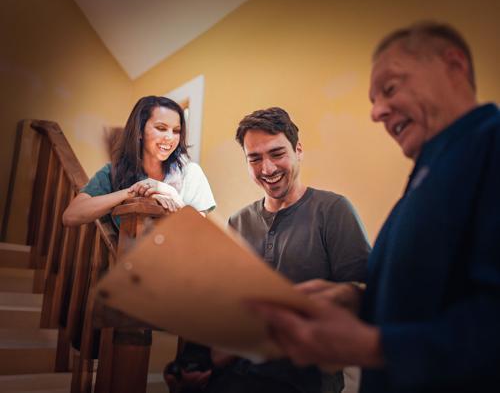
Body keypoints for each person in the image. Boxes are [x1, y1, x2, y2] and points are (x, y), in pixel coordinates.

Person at [247, 22, 500, 393]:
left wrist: (373, 346)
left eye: (390, 88)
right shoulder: (429, 175)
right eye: (373, 100)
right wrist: (358, 301)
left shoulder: (490, 146)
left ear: (454, 66)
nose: (377, 112)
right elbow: (438, 295)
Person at [166, 107, 370, 393]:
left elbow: (363, 297)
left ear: (298, 151)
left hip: (304, 378)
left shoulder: (333, 210)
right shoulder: (238, 222)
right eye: (255, 159)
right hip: (236, 372)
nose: (267, 169)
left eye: (277, 154)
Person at [63, 95, 216, 227]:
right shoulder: (113, 172)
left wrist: (172, 195)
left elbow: (199, 230)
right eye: (161, 128)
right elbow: (70, 216)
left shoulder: (190, 172)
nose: (170, 137)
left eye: (176, 131)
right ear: (139, 131)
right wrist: (132, 192)